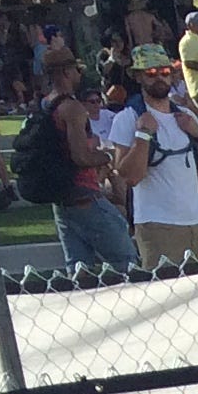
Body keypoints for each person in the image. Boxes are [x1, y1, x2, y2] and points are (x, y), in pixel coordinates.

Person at [38, 53, 141, 272]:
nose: (79, 75)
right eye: (77, 70)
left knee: (78, 269)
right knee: (127, 261)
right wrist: (108, 156)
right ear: (66, 72)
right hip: (85, 195)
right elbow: (81, 157)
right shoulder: (73, 108)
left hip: (62, 200)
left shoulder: (47, 104)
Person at [124, 52, 198, 269]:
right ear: (138, 77)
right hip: (157, 225)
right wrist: (143, 136)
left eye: (165, 72)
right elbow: (130, 177)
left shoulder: (187, 117)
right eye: (150, 73)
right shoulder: (128, 118)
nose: (159, 77)